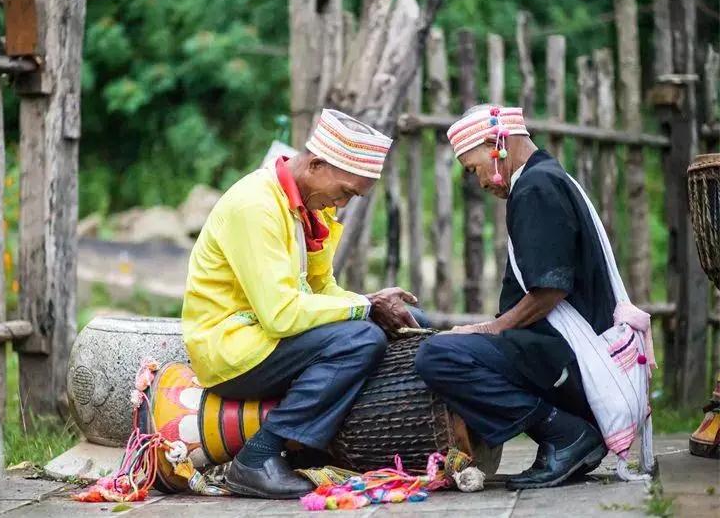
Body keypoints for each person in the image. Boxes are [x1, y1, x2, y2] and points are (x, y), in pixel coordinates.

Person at [182, 109, 424, 499]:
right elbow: (281, 315)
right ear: (315, 165)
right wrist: (363, 305)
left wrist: (375, 305)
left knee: (405, 322)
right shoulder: (256, 205)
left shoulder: (306, 206)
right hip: (229, 349)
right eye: (345, 192)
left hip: (266, 338)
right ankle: (258, 458)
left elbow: (320, 287)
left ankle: (319, 448)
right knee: (361, 338)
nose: (342, 204)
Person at [415, 104, 655, 489]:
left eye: (473, 167)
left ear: (498, 145)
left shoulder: (536, 187)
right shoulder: (548, 177)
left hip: (572, 361)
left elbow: (551, 289)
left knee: (438, 356)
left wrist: (491, 329)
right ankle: (568, 434)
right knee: (461, 346)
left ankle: (564, 434)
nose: (480, 181)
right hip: (569, 357)